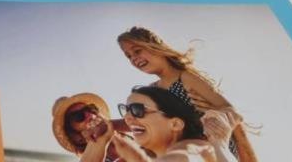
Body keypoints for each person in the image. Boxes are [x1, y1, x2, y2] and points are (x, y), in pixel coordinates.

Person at [117, 27, 256, 162]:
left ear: (154, 47)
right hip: (179, 147)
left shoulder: (184, 77)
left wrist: (211, 112)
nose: (133, 58)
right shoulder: (152, 89)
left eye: (137, 51)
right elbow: (142, 119)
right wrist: (108, 125)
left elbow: (229, 108)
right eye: (128, 56)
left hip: (208, 145)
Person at [79, 86, 239, 162]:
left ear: (175, 124)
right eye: (125, 110)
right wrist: (101, 140)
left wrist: (219, 145)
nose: (127, 117)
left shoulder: (191, 149)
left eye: (137, 109)